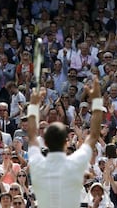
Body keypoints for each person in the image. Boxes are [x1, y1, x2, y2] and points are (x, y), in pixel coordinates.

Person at [27, 76, 102, 208]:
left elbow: (32, 137)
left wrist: (33, 105)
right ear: (66, 143)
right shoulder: (75, 162)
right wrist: (96, 100)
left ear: (46, 143)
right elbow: (94, 135)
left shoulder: (37, 162)